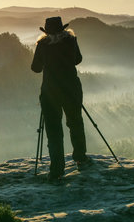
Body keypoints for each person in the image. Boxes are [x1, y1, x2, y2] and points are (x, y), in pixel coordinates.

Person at [31, 16, 92, 181]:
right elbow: (78, 59)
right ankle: (80, 158)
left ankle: (56, 170)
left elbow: (35, 68)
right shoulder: (71, 41)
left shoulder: (42, 45)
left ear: (46, 31)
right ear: (63, 29)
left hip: (50, 93)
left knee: (53, 131)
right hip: (71, 89)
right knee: (75, 123)